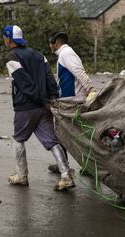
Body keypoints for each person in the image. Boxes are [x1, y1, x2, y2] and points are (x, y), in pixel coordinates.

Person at [2, 25, 75, 191]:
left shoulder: (11, 57)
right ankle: (65, 175)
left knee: (18, 139)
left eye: (5, 38)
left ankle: (22, 176)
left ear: (9, 39)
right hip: (44, 105)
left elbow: (23, 83)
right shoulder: (38, 55)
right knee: (51, 140)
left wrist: (38, 99)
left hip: (26, 107)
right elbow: (50, 78)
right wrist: (52, 98)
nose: (4, 40)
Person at [47, 31, 97, 175]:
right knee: (70, 133)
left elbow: (79, 72)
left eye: (50, 44)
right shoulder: (66, 53)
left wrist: (91, 90)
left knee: (69, 133)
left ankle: (68, 165)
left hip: (72, 100)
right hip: (69, 99)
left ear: (55, 42)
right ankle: (66, 164)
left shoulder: (66, 53)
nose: (50, 47)